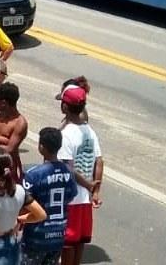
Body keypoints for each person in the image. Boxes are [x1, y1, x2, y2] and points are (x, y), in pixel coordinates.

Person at [58, 87, 104, 265]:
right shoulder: (90, 132)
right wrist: (95, 191)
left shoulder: (66, 134)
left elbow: (68, 168)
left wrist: (89, 185)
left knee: (68, 242)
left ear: (64, 107)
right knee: (79, 242)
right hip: (85, 199)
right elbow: (99, 161)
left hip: (71, 198)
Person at [21, 127, 79, 265]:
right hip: (58, 235)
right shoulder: (68, 172)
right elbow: (71, 196)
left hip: (36, 237)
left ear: (41, 147)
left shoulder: (33, 174)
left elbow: (24, 204)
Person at [0, 82, 28, 183]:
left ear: (4, 103)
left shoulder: (20, 123)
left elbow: (9, 150)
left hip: (7, 167)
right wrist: (0, 139)